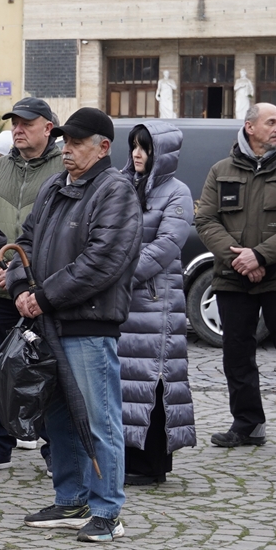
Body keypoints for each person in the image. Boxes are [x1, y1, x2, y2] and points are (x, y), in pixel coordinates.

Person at [4, 107, 141, 543]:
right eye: (65, 141)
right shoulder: (54, 186)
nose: (67, 149)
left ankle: (106, 511)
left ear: (103, 147)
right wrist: (20, 287)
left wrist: (42, 297)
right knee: (58, 418)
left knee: (99, 421)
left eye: (78, 143)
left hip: (89, 325)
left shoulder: (115, 190)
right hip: (48, 321)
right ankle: (71, 500)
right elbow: (23, 242)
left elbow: (102, 261)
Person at [196, 102, 276, 455]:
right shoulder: (220, 170)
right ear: (250, 127)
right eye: (271, 122)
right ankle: (247, 425)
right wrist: (240, 259)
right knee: (237, 355)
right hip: (233, 276)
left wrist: (261, 255)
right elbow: (206, 220)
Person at [0, 97, 66, 473]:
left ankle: (53, 445)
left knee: (47, 371)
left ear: (48, 128)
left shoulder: (64, 169)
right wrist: (0, 266)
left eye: (27, 123)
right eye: (14, 123)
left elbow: (61, 235)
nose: (18, 129)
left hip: (43, 293)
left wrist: (24, 276)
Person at [119, 122, 196, 484]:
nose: (137, 154)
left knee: (154, 378)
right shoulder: (121, 184)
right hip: (121, 299)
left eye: (145, 148)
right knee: (124, 379)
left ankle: (151, 466)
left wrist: (119, 273)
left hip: (155, 300)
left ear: (160, 153)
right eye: (134, 146)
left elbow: (167, 245)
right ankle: (123, 459)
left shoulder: (178, 192)